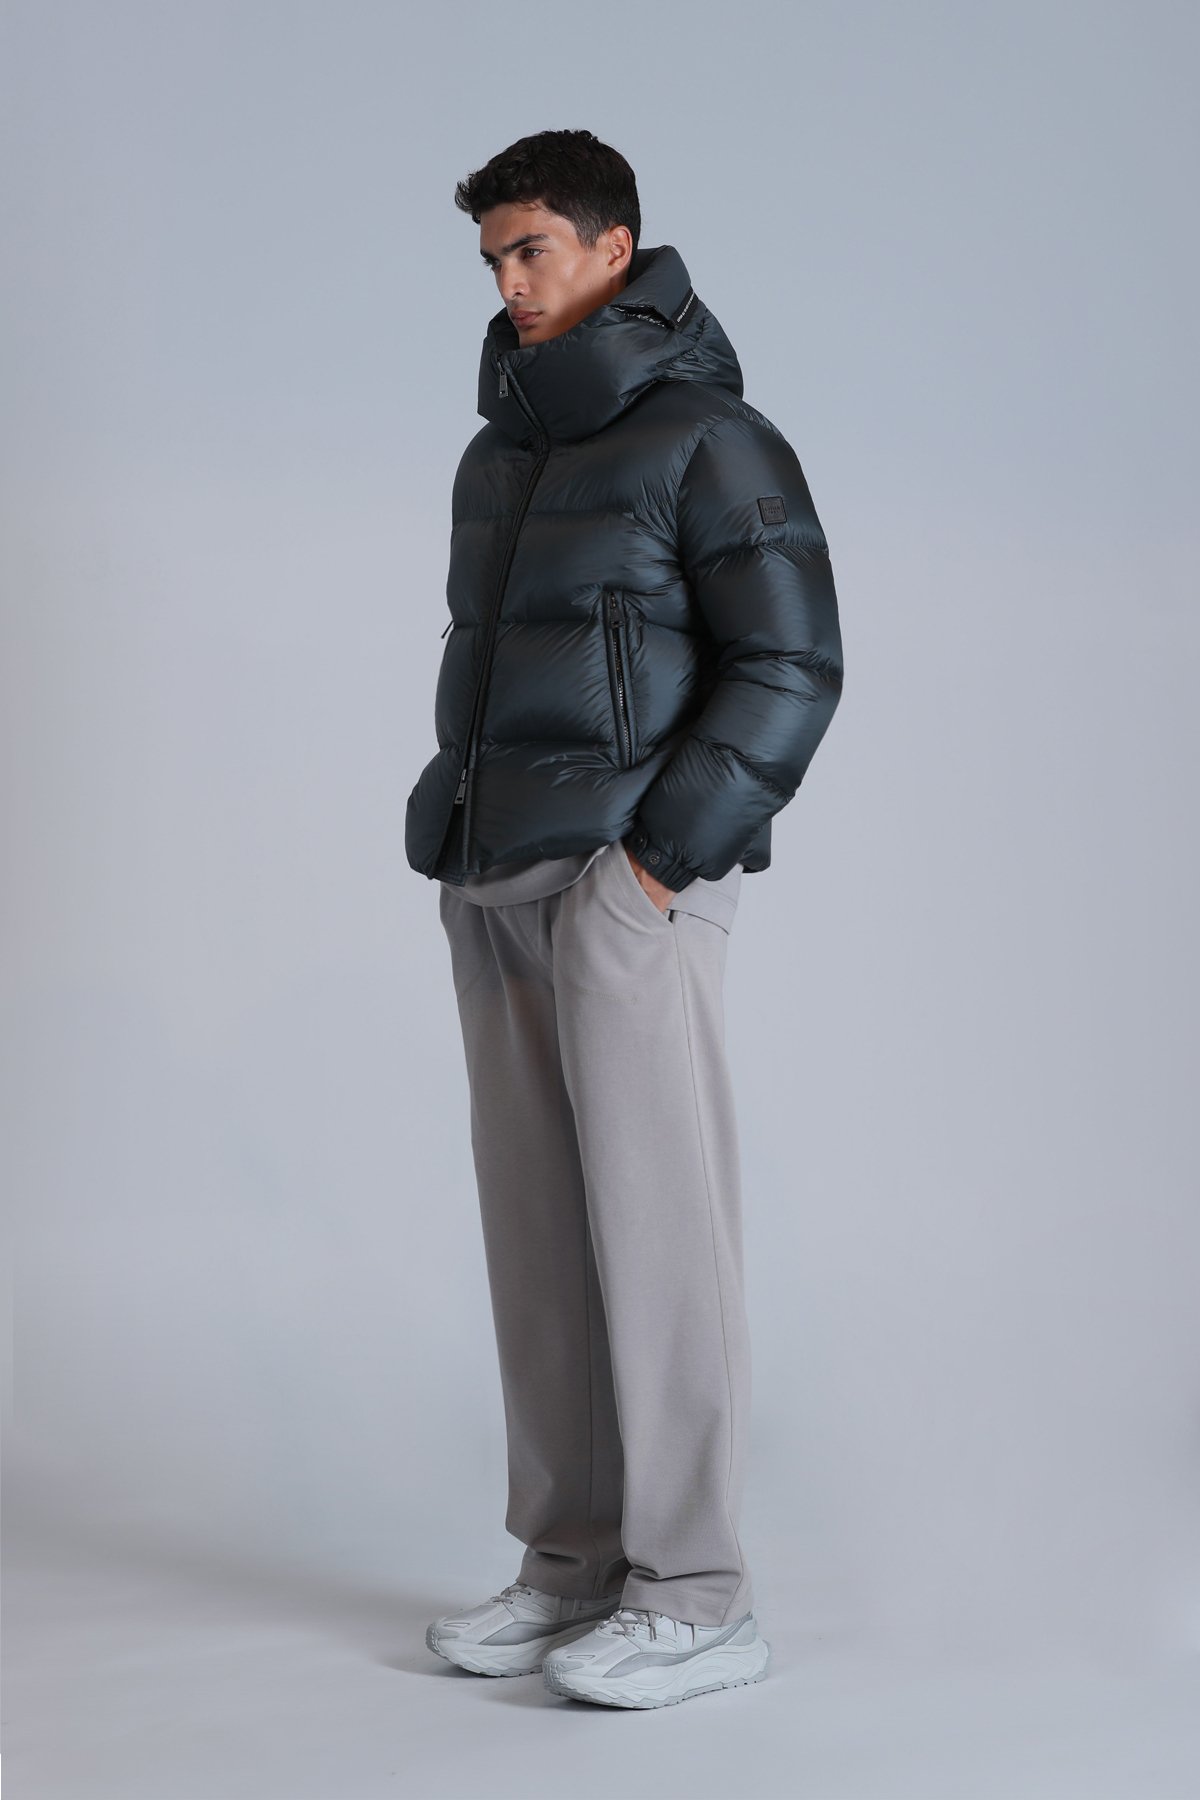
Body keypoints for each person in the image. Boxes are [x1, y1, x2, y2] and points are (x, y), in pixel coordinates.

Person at [406, 128, 843, 1710]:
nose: (511, 284)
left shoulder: (710, 439)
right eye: (493, 261)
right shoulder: (501, 452)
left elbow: (793, 666)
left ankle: (700, 1593)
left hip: (624, 889)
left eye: (532, 250)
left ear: (614, 245)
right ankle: (573, 1562)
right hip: (494, 876)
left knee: (660, 1241)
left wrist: (654, 868)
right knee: (539, 1245)